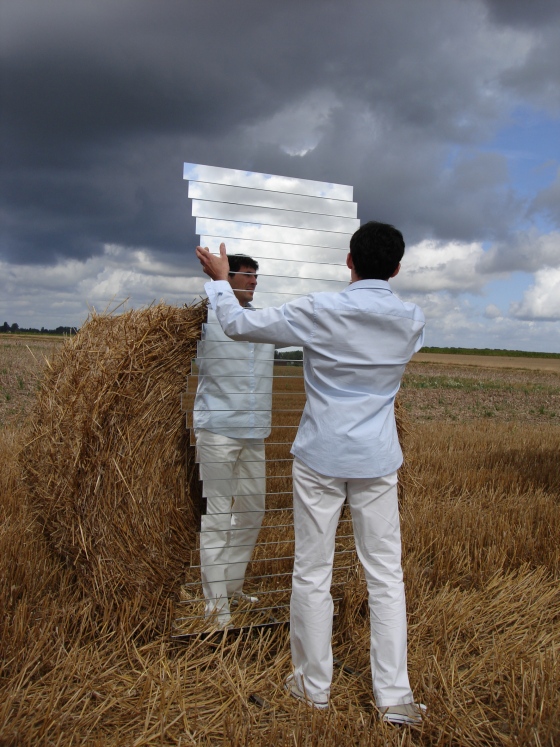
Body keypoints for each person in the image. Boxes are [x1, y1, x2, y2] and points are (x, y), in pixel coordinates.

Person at [195, 221, 427, 725]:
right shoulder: (412, 319)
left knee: (313, 571)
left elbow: (238, 326)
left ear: (349, 261)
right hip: (377, 460)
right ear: (397, 268)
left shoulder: (320, 309)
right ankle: (393, 697)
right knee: (386, 576)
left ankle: (311, 688)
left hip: (321, 457)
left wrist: (219, 279)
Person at [193, 254, 275, 630]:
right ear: (228, 278)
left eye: (257, 276)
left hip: (254, 433)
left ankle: (230, 586)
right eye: (248, 275)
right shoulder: (203, 321)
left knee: (253, 512)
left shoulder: (261, 321)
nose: (255, 282)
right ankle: (215, 609)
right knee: (217, 518)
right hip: (217, 432)